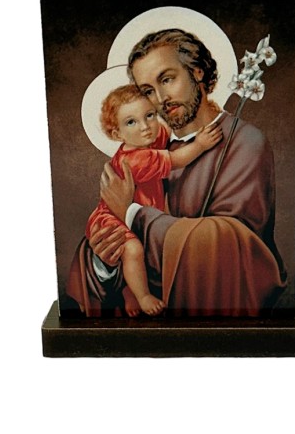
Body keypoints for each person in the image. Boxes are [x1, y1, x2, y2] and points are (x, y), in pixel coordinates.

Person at [67, 29, 287, 317]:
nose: (160, 98)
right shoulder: (148, 150)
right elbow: (101, 237)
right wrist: (104, 262)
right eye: (148, 90)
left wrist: (132, 214)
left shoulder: (243, 143)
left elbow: (232, 249)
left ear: (197, 72)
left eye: (167, 79)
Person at [85, 84, 223, 316]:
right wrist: (200, 144)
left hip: (131, 214)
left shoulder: (145, 140)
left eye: (149, 115)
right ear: (117, 135)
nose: (145, 126)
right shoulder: (136, 158)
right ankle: (143, 296)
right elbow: (176, 160)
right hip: (109, 219)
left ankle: (130, 291)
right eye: (131, 122)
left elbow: (164, 131)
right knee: (133, 249)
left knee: (137, 251)